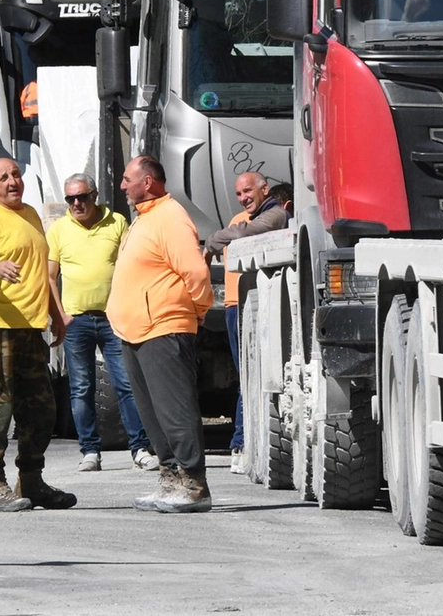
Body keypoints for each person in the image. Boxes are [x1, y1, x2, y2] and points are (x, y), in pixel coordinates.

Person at [0, 157, 77, 513]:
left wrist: (57, 313)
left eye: (15, 174)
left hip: (29, 327)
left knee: (41, 408)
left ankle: (31, 480)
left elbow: (42, 270)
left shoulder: (29, 214)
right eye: (3, 177)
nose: (12, 181)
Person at [108, 155, 215, 513]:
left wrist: (196, 312)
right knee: (151, 412)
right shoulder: (145, 218)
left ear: (148, 182)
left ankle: (195, 485)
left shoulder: (170, 217)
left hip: (163, 327)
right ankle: (170, 479)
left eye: (127, 179)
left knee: (175, 409)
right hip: (135, 330)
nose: (122, 186)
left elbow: (196, 273)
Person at [47, 173, 159, 473]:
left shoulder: (117, 223)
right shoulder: (59, 230)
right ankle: (90, 452)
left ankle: (139, 448)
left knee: (127, 384)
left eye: (82, 197)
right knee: (81, 388)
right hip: (76, 322)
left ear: (94, 195)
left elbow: (130, 266)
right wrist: (61, 316)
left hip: (113, 319)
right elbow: (49, 277)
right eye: (70, 199)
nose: (76, 203)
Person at [203, 172, 289, 474]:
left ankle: (241, 443)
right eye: (239, 193)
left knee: (252, 376)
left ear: (265, 189)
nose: (243, 198)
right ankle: (242, 443)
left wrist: (214, 239)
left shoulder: (276, 214)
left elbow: (240, 236)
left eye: (248, 191)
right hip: (235, 306)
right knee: (246, 375)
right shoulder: (242, 218)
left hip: (252, 305)